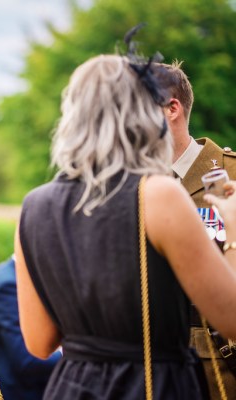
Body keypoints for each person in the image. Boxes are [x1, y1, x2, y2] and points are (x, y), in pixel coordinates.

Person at [15, 52, 236, 399]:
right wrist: (234, 234)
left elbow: (39, 342)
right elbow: (232, 318)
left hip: (72, 388)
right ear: (139, 115)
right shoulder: (159, 192)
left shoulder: (35, 204)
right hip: (152, 386)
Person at [162, 60, 236, 399]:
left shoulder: (230, 175)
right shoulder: (133, 185)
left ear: (171, 109)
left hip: (218, 366)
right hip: (151, 366)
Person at [0, 255, 61, 399]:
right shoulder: (9, 285)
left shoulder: (11, 274)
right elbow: (27, 362)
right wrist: (70, 355)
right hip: (10, 391)